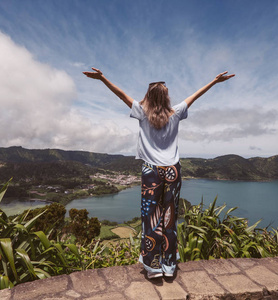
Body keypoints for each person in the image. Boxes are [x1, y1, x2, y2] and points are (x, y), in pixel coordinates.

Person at [83, 67, 235, 279]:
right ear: (166, 97)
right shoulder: (177, 113)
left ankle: (153, 267)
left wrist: (102, 79)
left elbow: (120, 95)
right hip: (173, 170)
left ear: (148, 96)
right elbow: (195, 96)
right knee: (169, 218)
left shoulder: (141, 113)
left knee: (150, 218)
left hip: (151, 171)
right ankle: (169, 266)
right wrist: (214, 81)